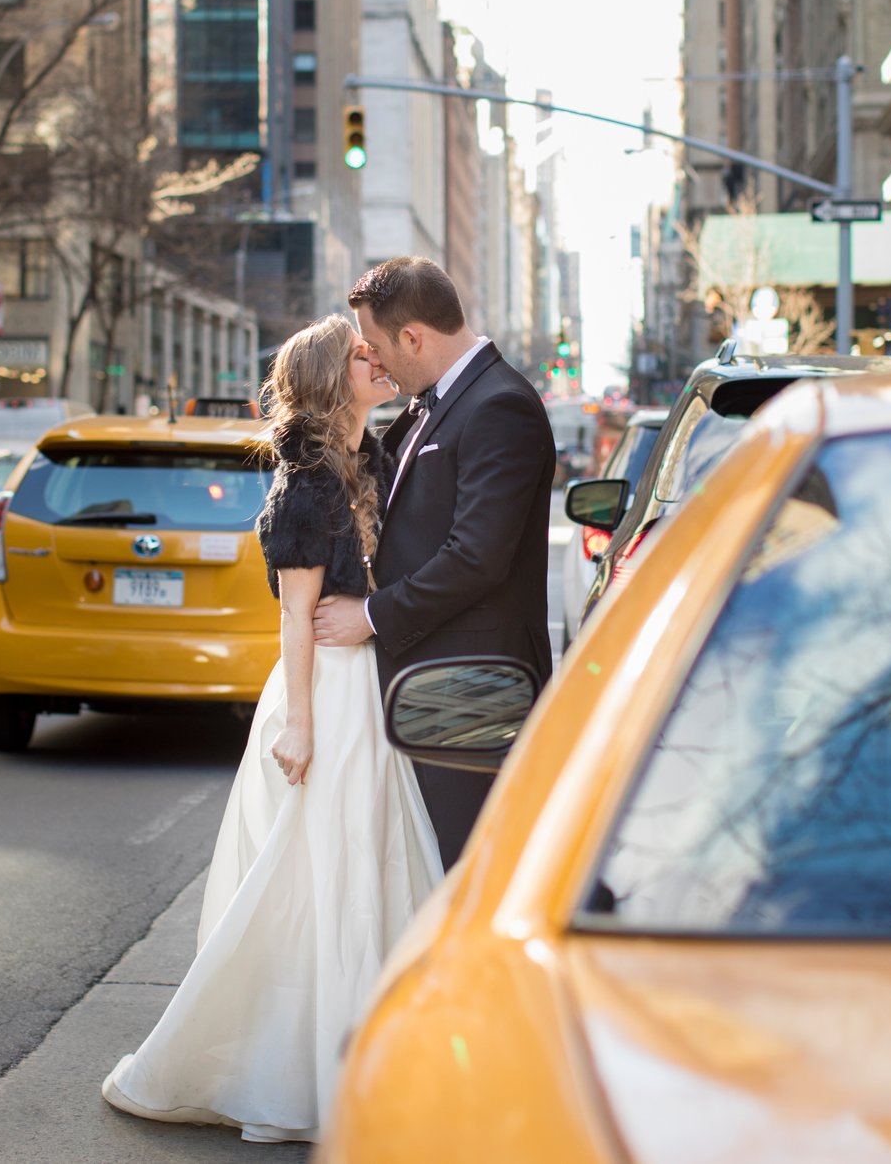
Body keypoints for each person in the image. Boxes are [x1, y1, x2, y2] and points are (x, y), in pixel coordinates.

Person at [100, 315, 441, 1143]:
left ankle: (372, 1060)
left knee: (367, 866)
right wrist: (301, 723)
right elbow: (297, 616)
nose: (381, 358)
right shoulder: (307, 485)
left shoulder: (369, 458)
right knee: (320, 876)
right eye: (365, 354)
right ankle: (315, 1073)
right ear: (332, 378)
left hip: (369, 691)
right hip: (323, 696)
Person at [314, 257, 557, 867]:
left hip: (471, 686)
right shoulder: (432, 403)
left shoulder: (500, 406)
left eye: (374, 345)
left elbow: (476, 558)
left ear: (413, 338)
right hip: (432, 681)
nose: (374, 360)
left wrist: (370, 616)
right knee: (430, 861)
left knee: (470, 863)